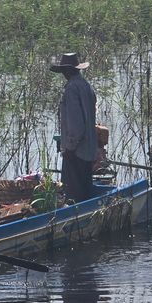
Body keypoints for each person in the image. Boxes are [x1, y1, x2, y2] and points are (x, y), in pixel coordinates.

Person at [50, 52, 97, 203]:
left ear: (67, 71)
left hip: (76, 152)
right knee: (85, 192)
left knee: (73, 198)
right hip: (88, 151)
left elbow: (76, 125)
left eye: (64, 71)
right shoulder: (86, 86)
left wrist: (70, 148)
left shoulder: (71, 89)